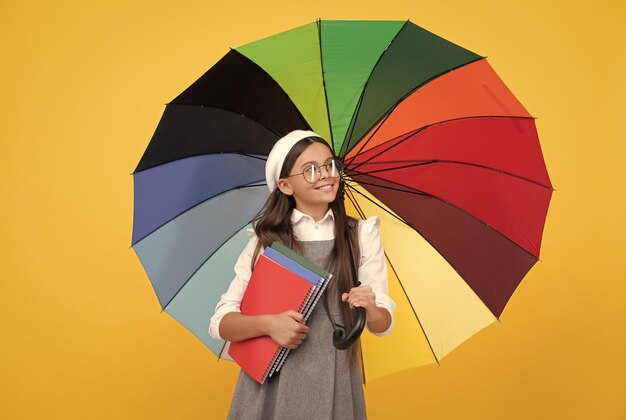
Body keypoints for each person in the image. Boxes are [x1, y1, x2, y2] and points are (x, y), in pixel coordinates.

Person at [209, 129, 396, 419]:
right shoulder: (265, 241)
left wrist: (371, 306)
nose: (325, 174)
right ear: (285, 185)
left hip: (336, 377)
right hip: (272, 383)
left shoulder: (360, 235)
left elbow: (381, 324)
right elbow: (221, 323)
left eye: (329, 164)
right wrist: (270, 325)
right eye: (309, 170)